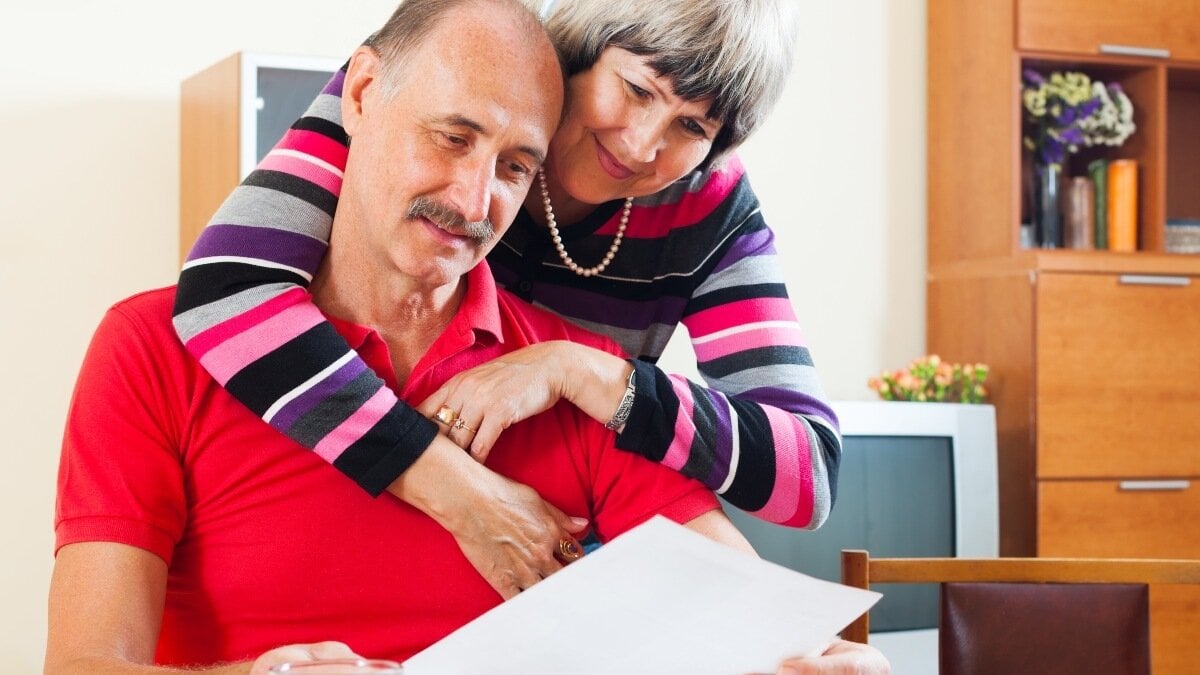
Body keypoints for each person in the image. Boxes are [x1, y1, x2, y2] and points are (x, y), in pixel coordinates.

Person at [49, 1, 888, 672]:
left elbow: (770, 550)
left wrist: (812, 662)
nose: (473, 195)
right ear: (365, 96)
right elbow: (224, 285)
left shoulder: (596, 358)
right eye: (452, 137)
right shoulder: (161, 343)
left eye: (517, 166)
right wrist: (452, 487)